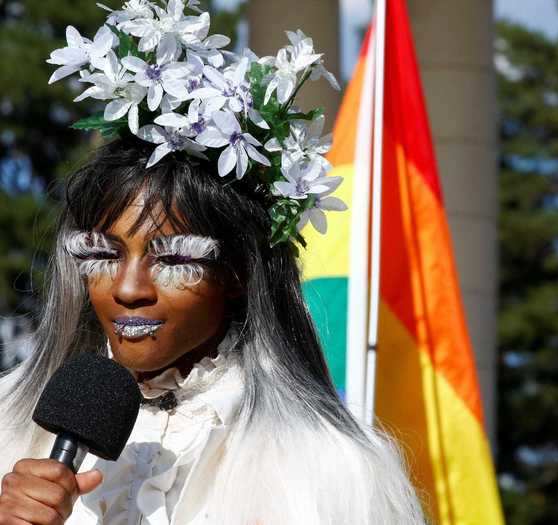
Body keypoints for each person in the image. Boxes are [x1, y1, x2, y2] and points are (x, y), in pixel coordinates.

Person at [0, 134, 427, 524]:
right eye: (105, 256)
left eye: (172, 260)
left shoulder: (332, 470)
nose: (128, 289)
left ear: (238, 273)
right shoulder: (9, 428)